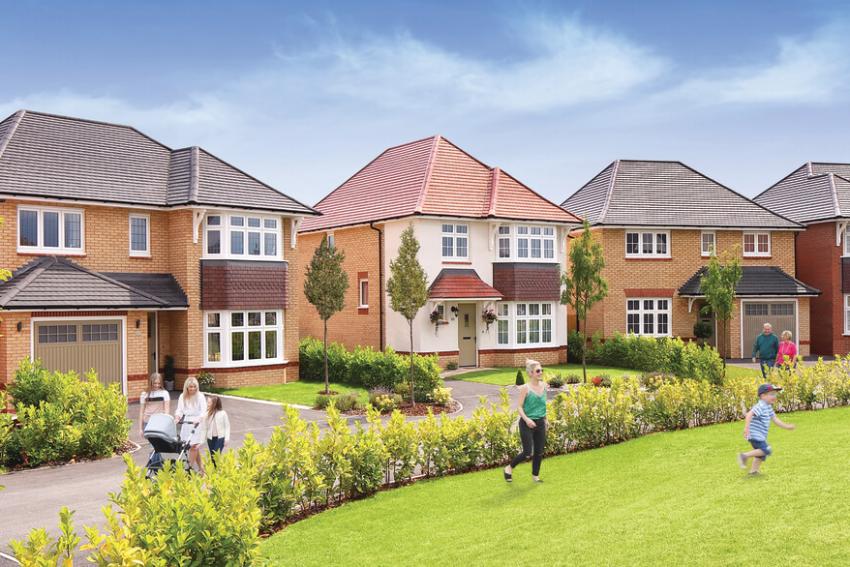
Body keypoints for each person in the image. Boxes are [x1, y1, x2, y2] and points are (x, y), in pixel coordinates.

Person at [504, 359, 547, 483]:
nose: (540, 372)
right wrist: (527, 419)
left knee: (539, 452)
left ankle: (535, 476)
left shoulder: (544, 386)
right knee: (527, 453)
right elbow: (519, 407)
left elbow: (543, 405)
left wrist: (545, 419)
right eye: (538, 371)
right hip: (526, 423)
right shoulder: (525, 388)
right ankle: (509, 468)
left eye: (541, 370)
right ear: (530, 373)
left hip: (540, 422)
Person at [737, 383, 795, 475]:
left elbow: (775, 419)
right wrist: (746, 428)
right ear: (763, 396)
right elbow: (749, 415)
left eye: (775, 394)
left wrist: (786, 426)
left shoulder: (768, 406)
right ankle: (744, 456)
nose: (774, 396)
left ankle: (753, 472)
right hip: (755, 434)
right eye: (772, 394)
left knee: (761, 454)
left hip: (759, 435)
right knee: (766, 450)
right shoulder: (761, 406)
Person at [175, 377, 207, 474]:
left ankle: (189, 469)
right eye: (190, 387)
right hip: (187, 423)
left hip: (197, 423)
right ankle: (202, 469)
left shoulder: (200, 396)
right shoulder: (182, 396)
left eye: (194, 387)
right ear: (187, 387)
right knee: (193, 447)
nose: (192, 389)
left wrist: (199, 419)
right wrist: (177, 417)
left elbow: (204, 411)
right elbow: (179, 410)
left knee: (194, 447)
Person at [205, 395, 230, 466]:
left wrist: (227, 438)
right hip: (210, 439)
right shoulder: (207, 413)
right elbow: (203, 426)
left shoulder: (223, 413)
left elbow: (227, 426)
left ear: (214, 404)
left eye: (209, 402)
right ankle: (214, 470)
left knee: (216, 455)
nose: (207, 404)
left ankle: (217, 469)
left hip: (220, 438)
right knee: (212, 456)